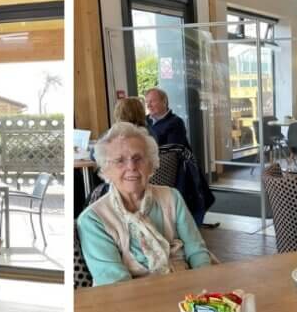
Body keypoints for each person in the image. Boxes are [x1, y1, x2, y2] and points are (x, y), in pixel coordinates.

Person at [75, 122, 211, 285]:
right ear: (105, 170)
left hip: (187, 288)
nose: (131, 167)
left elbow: (196, 251)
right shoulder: (93, 220)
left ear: (151, 164)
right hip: (129, 301)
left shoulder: (172, 197)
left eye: (138, 158)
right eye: (119, 161)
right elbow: (115, 283)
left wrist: (205, 288)